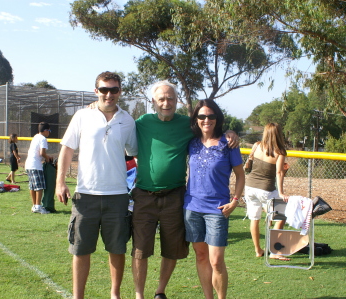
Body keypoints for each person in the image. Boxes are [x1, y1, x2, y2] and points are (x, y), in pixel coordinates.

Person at [131, 81, 239, 299]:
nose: (166, 103)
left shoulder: (186, 125)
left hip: (176, 196)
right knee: (141, 249)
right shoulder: (142, 122)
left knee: (172, 248)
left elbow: (210, 128)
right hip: (146, 195)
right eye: (161, 98)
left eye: (170, 98)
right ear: (153, 101)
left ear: (177, 100)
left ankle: (160, 291)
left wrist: (230, 131)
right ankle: (139, 295)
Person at [55, 71, 137, 299]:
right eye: (104, 89)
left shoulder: (127, 120)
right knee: (81, 250)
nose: (109, 94)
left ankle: (115, 294)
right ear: (96, 91)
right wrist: (60, 182)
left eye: (114, 90)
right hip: (85, 195)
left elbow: (135, 153)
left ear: (120, 92)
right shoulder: (82, 116)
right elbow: (67, 149)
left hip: (118, 195)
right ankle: (77, 296)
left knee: (117, 249)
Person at [184, 99, 245, 299]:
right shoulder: (191, 142)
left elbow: (240, 175)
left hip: (217, 209)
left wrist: (235, 200)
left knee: (216, 261)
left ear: (217, 118)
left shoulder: (228, 143)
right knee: (201, 256)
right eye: (202, 116)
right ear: (196, 119)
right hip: (192, 208)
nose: (206, 119)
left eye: (211, 116)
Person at [244, 122, 289, 260]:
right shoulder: (280, 151)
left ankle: (258, 250)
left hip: (250, 187)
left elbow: (248, 165)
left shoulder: (256, 145)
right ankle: (275, 250)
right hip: (266, 189)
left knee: (254, 219)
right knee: (282, 215)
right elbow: (279, 173)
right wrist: (281, 192)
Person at [25, 122, 53, 214]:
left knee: (32, 186)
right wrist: (48, 157)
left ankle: (34, 205)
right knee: (39, 186)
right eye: (49, 130)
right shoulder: (43, 138)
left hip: (29, 164)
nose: (49, 133)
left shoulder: (36, 137)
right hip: (35, 165)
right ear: (45, 130)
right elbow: (42, 153)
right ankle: (38, 206)